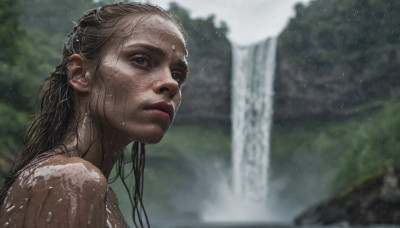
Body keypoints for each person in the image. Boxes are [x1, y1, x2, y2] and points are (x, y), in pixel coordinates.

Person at [0, 2, 188, 227]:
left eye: (177, 74)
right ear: (80, 74)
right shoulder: (71, 179)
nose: (171, 83)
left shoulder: (98, 193)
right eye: (141, 60)